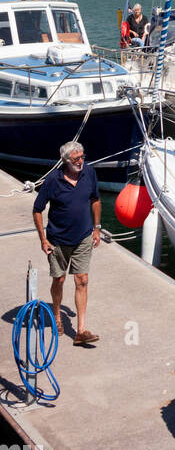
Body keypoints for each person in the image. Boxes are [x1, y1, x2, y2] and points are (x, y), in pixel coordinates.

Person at [32, 141, 101, 346]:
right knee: (59, 280)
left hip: (83, 237)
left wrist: (97, 228)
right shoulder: (53, 180)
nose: (81, 161)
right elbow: (37, 209)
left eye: (82, 157)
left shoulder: (89, 173)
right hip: (58, 240)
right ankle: (56, 317)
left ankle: (81, 331)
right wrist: (43, 239)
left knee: (82, 280)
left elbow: (95, 200)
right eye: (76, 159)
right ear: (65, 161)